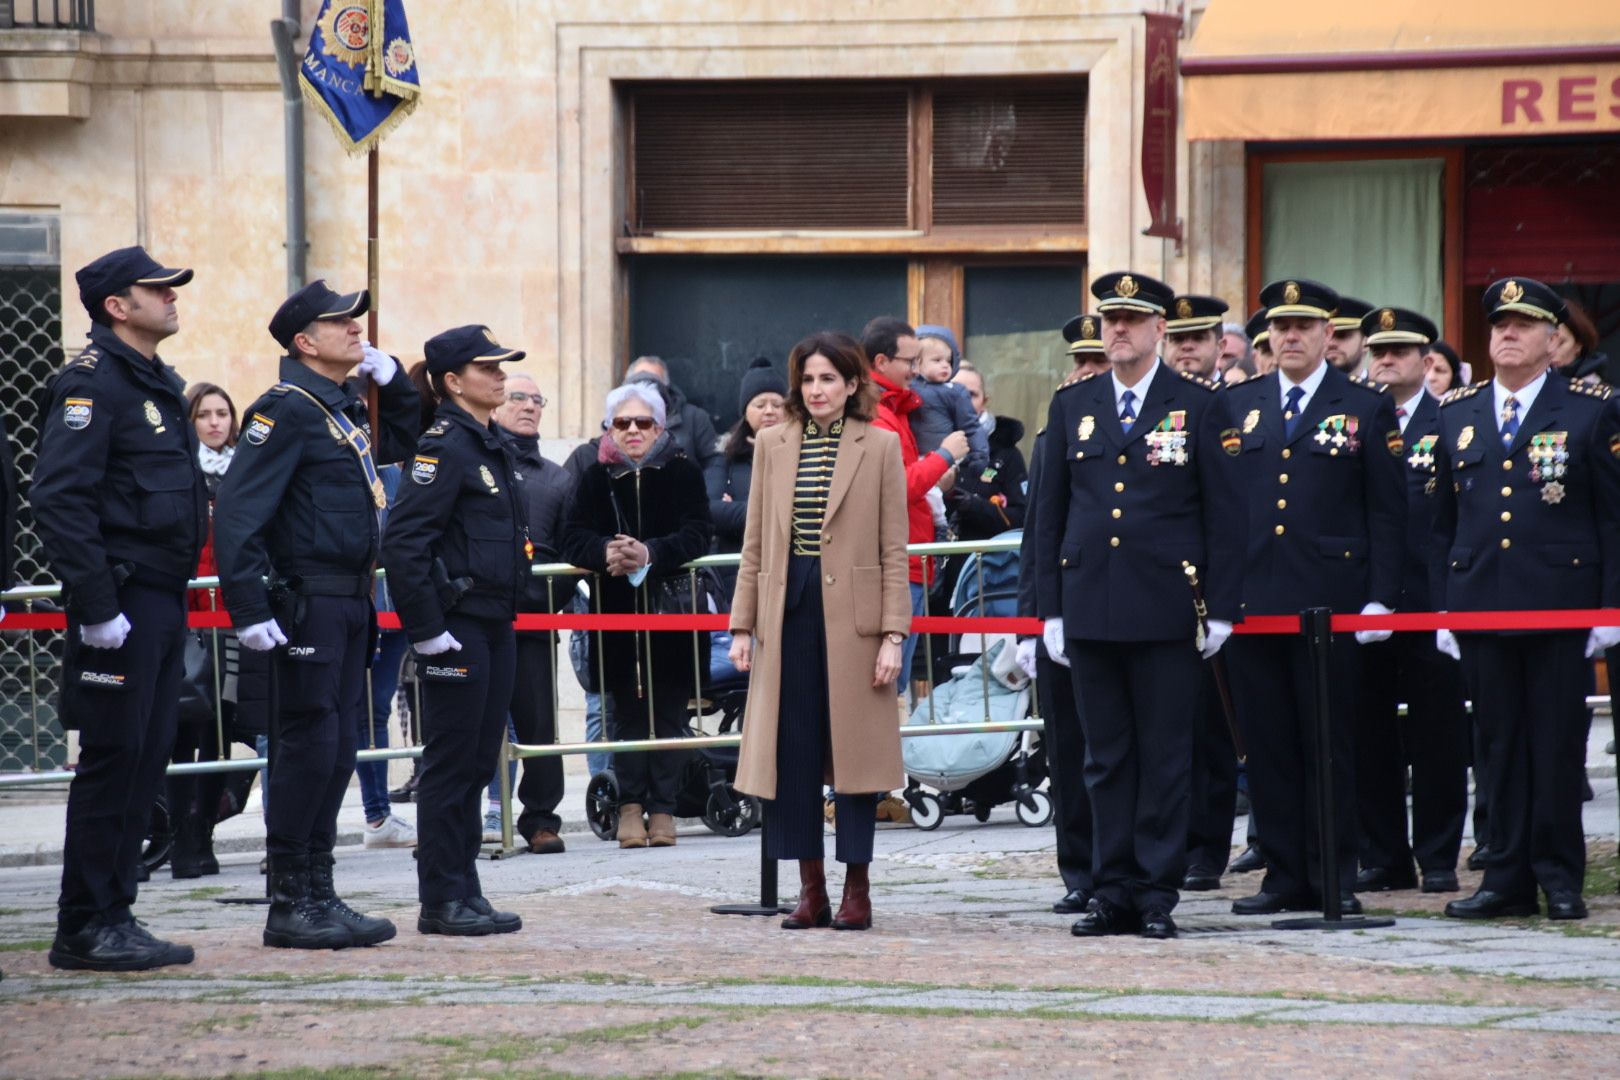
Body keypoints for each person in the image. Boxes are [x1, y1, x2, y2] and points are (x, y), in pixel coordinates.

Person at [1033, 272, 1242, 939]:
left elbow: (1225, 514)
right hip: (1092, 600)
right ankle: (1109, 886)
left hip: (1166, 603)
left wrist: (1223, 608)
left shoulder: (1199, 405)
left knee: (1165, 755)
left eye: (1131, 319)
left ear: (1159, 329)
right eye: (1109, 319)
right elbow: (1051, 515)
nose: (1117, 330)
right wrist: (1051, 610)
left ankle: (1156, 891)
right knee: (1105, 756)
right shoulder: (1075, 405)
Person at [214, 280, 418, 950]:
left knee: (337, 751)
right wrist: (247, 606)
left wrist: (401, 385)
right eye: (342, 323)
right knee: (307, 749)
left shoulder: (342, 407)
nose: (357, 330)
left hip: (351, 598)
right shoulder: (286, 410)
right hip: (307, 601)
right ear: (306, 341)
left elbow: (409, 452)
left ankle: (320, 890)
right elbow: (239, 515)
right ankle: (290, 902)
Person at [35, 246, 206, 971]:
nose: (171, 297)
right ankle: (84, 923)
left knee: (145, 758)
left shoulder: (154, 382)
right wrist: (97, 604)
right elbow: (60, 498)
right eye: (156, 288)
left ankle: (117, 912)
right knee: (112, 760)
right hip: (123, 600)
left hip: (162, 598)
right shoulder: (92, 385)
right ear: (116, 305)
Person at [1431, 278, 1620, 921]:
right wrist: (1443, 610)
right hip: (1480, 601)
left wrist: (1607, 611)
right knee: (1498, 745)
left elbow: (1611, 518)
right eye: (1498, 325)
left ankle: (1559, 875)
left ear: (1552, 340)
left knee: (1557, 744)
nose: (1506, 334)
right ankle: (1503, 875)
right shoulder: (1455, 412)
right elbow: (1439, 521)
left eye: (1522, 324)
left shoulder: (1591, 410)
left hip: (1561, 604)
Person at [1220, 278, 1405, 917]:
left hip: (1332, 599)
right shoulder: (1238, 404)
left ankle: (1333, 875)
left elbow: (1387, 511)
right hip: (1255, 601)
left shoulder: (1364, 405)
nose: (1290, 336)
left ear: (1330, 335)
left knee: (1328, 742)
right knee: (1267, 744)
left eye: (1303, 326)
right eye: (1280, 327)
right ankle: (1283, 875)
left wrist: (1383, 597)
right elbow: (1223, 508)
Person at [729, 330, 909, 932]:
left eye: (828, 378)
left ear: (853, 383)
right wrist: (742, 624)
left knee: (855, 754)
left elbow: (893, 549)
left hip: (855, 616)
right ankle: (811, 889)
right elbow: (754, 542)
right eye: (807, 379)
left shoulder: (880, 446)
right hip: (789, 605)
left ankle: (857, 887)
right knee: (794, 750)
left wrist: (893, 634)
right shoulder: (772, 444)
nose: (817, 389)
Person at [381, 326, 530, 935]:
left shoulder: (488, 442)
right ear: (452, 383)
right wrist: (427, 628)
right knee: (450, 763)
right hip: (458, 625)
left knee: (476, 763)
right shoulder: (443, 447)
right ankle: (440, 897)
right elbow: (405, 541)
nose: (499, 376)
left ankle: (465, 888)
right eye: (486, 368)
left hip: (495, 620)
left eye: (502, 366)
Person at [561, 382, 713, 849]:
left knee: (668, 711)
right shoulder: (594, 475)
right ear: (609, 428)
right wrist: (606, 550)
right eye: (621, 423)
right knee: (625, 712)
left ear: (659, 427)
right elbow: (571, 536)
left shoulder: (683, 472)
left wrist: (650, 553)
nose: (631, 431)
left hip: (672, 611)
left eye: (642, 423)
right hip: (616, 614)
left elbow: (699, 533)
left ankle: (663, 809)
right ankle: (630, 807)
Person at [1352, 307, 1468, 894]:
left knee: (1437, 735)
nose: (1386, 360)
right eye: (1378, 350)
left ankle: (1440, 854)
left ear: (1427, 361)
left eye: (1398, 351)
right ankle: (1383, 855)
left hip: (1428, 598)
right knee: (1368, 732)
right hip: (1368, 599)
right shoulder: (1355, 417)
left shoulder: (1450, 419)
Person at [1014, 312, 1106, 917]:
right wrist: (1030, 622)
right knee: (1068, 753)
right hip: (1063, 618)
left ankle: (1124, 868)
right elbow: (1036, 537)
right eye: (1077, 362)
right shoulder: (1055, 429)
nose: (1082, 374)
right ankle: (1079, 871)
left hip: (1125, 614)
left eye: (1094, 363)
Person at [863, 315, 968, 696]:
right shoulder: (878, 415)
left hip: (910, 559)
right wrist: (944, 455)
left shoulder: (897, 409)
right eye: (910, 361)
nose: (916, 369)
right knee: (889, 685)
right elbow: (898, 486)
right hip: (898, 562)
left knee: (896, 682)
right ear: (880, 363)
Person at [494, 371, 574, 855]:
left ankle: (541, 819)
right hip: (476, 615)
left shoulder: (558, 478)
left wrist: (545, 596)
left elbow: (572, 552)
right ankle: (459, 819)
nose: (528, 406)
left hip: (534, 620)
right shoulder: (474, 462)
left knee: (540, 726)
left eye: (536, 399)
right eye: (517, 397)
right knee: (469, 725)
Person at [166, 383, 240, 879]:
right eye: (204, 414)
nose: (215, 422)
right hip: (185, 619)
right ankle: (177, 835)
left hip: (233, 623)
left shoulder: (244, 472)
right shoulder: (180, 470)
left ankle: (203, 836)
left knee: (221, 733)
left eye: (222, 413)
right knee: (180, 730)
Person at [360, 462, 417, 850]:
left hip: (395, 610)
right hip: (357, 607)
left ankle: (377, 815)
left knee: (375, 712)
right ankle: (374, 812)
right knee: (352, 714)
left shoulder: (397, 474)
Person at [708, 356, 788, 588]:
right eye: (760, 405)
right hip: (737, 575)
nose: (769, 411)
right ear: (745, 412)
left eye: (777, 404)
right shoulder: (725, 457)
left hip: (787, 572)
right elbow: (711, 510)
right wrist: (771, 513)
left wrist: (737, 506)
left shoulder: (800, 453)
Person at [946, 363, 1027, 541]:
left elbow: (1023, 518)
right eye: (955, 392)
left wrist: (975, 506)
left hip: (985, 565)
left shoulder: (1006, 453)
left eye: (972, 395)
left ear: (984, 401)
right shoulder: (923, 444)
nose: (963, 401)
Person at [623, 354, 722, 470]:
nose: (647, 390)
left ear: (666, 387)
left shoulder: (695, 418)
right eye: (640, 381)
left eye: (653, 383)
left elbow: (715, 462)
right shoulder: (618, 422)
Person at [1552, 298, 1620, 387]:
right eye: (1546, 342)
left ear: (1579, 345)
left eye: (1561, 343)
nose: (1550, 350)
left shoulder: (1594, 390)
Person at [1165, 295, 1230, 380]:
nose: (1187, 346)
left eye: (1198, 338)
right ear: (1165, 346)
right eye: (1178, 339)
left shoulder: (1233, 393)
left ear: (1220, 347)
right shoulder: (1151, 393)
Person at [1326, 296, 1373, 373]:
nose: (1331, 343)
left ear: (1366, 343)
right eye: (1326, 335)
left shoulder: (1383, 385)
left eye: (1342, 335)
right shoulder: (1303, 384)